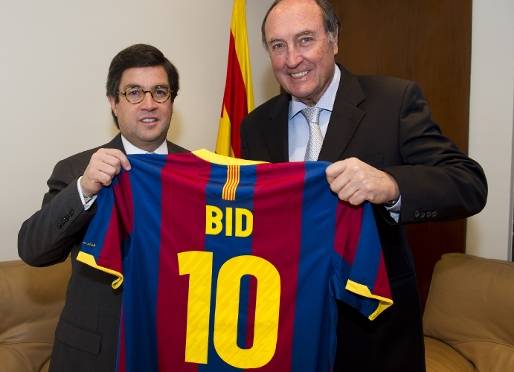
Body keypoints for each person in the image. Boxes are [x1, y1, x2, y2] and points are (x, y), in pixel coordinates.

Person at [239, 0, 488, 371]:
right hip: (285, 327)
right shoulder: (255, 125)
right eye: (278, 45)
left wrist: (391, 184)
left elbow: (468, 182)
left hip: (373, 332)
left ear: (334, 38)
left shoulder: (393, 101)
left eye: (305, 40)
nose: (292, 59)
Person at [18, 43, 187, 372]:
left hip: (174, 346)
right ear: (114, 103)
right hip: (95, 354)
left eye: (160, 92)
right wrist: (84, 188)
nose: (148, 104)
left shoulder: (201, 171)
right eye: (134, 92)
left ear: (171, 101)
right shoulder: (76, 170)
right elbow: (33, 250)